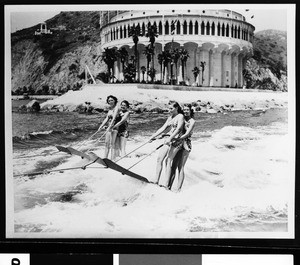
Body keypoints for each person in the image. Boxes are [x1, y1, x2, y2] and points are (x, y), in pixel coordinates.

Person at [149, 102, 185, 188]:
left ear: (176, 108)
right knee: (159, 159)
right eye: (169, 108)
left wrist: (170, 138)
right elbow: (163, 128)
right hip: (169, 139)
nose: (169, 110)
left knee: (168, 161)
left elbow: (179, 129)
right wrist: (153, 136)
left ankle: (166, 185)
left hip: (177, 141)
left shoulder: (180, 116)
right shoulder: (170, 117)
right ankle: (156, 181)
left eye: (171, 108)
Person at [168, 104, 196, 192]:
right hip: (178, 143)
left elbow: (187, 133)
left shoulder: (192, 121)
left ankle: (178, 189)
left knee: (181, 167)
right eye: (184, 110)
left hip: (186, 144)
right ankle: (168, 186)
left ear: (191, 111)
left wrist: (177, 138)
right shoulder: (182, 118)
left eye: (188, 110)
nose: (186, 111)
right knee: (173, 166)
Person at [97, 95, 120, 160]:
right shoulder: (110, 109)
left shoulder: (116, 108)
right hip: (109, 128)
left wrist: (110, 126)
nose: (110, 102)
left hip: (114, 128)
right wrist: (101, 126)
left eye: (112, 100)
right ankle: (105, 158)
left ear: (115, 101)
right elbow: (107, 118)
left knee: (112, 144)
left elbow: (114, 117)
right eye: (109, 100)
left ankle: (112, 159)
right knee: (106, 143)